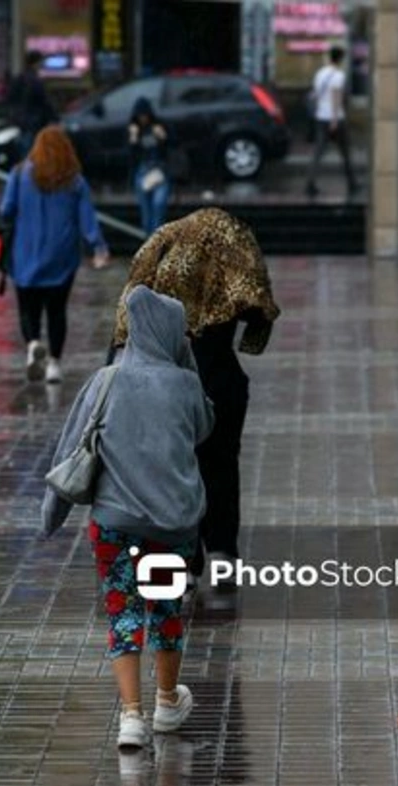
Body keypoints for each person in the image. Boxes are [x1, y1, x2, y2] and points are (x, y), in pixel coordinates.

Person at [42, 285, 215, 749]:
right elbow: (206, 427)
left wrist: (50, 515)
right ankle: (166, 702)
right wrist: (188, 362)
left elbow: (70, 443)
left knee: (121, 609)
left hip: (114, 523)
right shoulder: (186, 385)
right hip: (170, 526)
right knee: (164, 610)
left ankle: (131, 716)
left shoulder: (106, 380)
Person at [108, 208, 280, 585]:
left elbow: (129, 307)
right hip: (220, 374)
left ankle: (184, 560)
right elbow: (260, 303)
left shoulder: (162, 242)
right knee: (222, 464)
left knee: (173, 468)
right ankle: (222, 553)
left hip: (166, 380)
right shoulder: (234, 241)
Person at [0, 125, 109, 383]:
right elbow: (87, 219)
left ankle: (33, 344)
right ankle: (54, 365)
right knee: (57, 311)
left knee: (28, 309)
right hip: (61, 257)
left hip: (24, 255)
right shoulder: (74, 181)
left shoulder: (18, 174)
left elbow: (6, 211)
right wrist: (98, 247)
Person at [305, 45, 358, 197]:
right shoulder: (338, 76)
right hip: (335, 119)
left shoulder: (320, 73)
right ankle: (352, 182)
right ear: (340, 59)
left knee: (318, 152)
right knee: (345, 152)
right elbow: (336, 98)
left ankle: (310, 183)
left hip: (321, 117)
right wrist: (335, 119)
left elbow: (315, 94)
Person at [128, 97, 170, 235]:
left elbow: (170, 149)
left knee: (158, 206)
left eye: (145, 115)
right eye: (140, 116)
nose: (143, 118)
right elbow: (131, 157)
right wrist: (133, 139)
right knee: (146, 216)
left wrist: (163, 137)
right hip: (143, 172)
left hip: (159, 171)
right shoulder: (134, 129)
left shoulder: (158, 126)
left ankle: (156, 245)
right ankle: (150, 244)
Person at [7, 50, 57, 161]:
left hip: (21, 120)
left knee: (24, 151)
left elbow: (11, 98)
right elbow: (44, 102)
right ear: (36, 63)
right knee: (31, 151)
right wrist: (54, 118)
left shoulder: (20, 78)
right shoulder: (35, 81)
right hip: (33, 121)